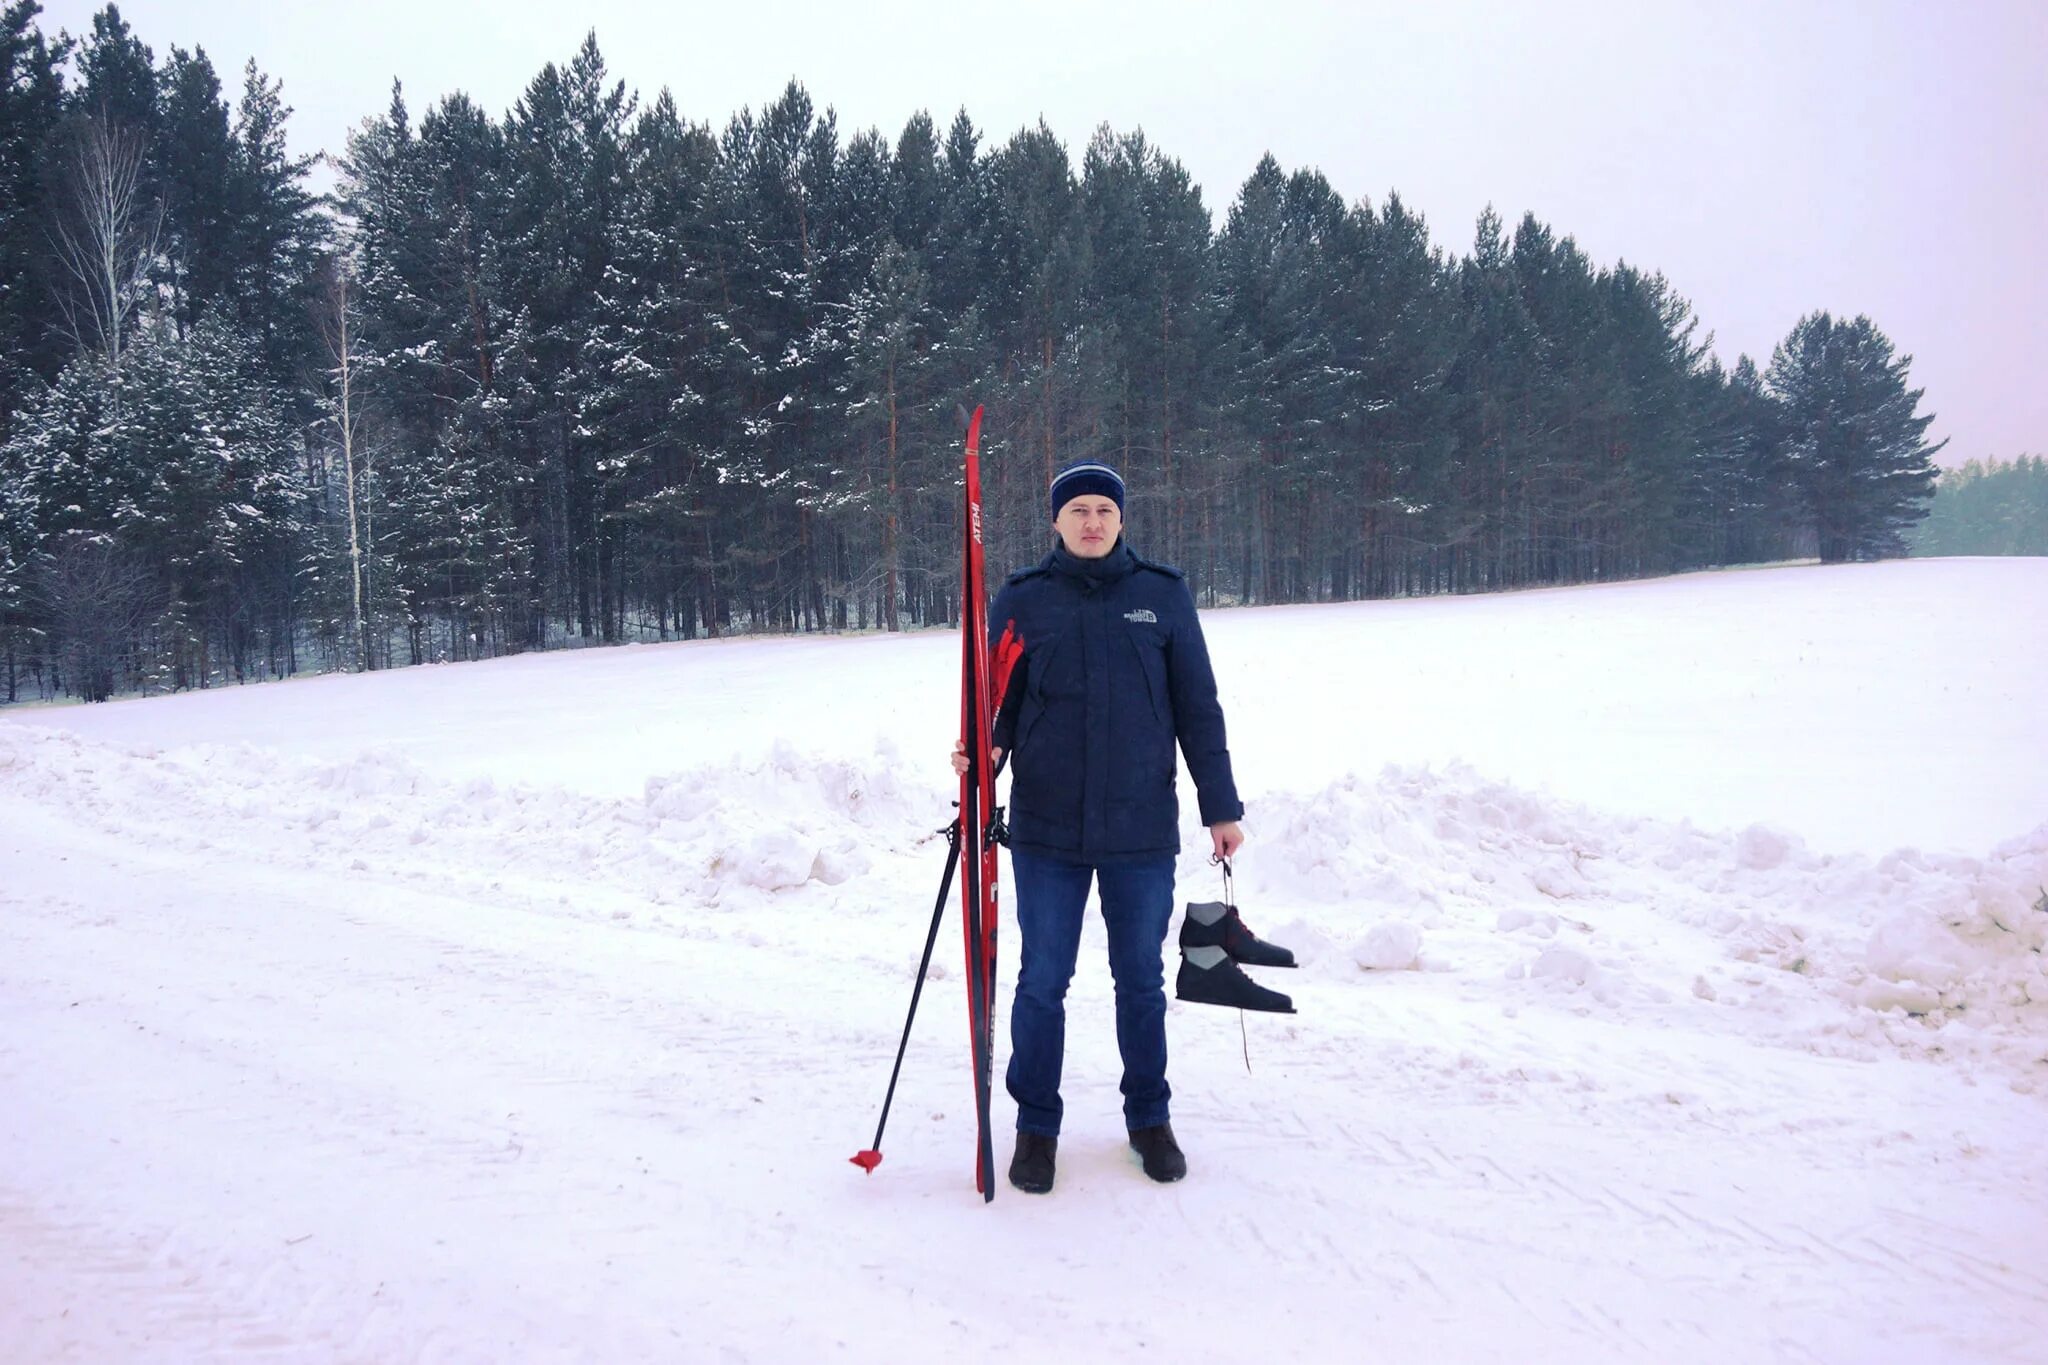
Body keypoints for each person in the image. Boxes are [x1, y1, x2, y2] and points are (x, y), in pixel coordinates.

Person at [953, 458, 1244, 1194]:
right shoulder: (1024, 599)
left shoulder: (1163, 595)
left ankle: (1149, 1118)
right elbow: (1000, 704)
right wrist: (982, 747)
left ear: (1121, 519)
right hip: (1048, 830)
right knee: (1042, 980)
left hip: (1140, 829)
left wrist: (1221, 805)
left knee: (1141, 981)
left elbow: (1197, 707)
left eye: (1103, 511)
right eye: (1077, 510)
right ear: (1055, 519)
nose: (1090, 522)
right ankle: (1036, 1127)